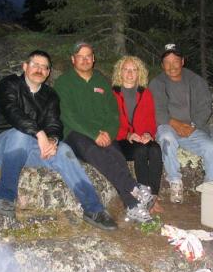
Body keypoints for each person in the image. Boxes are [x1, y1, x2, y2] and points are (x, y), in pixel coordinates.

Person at [0, 50, 117, 230]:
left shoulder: (50, 95)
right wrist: (39, 134)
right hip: (0, 146)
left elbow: (54, 124)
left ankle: (93, 208)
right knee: (20, 135)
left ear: (48, 72)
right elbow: (12, 112)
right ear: (25, 66)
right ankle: (5, 195)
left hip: (32, 148)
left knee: (65, 150)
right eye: (35, 65)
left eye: (44, 67)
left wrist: (52, 140)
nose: (39, 70)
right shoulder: (9, 84)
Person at [54, 42, 154, 223]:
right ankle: (134, 188)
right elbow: (67, 115)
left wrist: (108, 132)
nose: (84, 60)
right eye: (80, 56)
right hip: (74, 133)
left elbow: (113, 113)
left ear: (93, 59)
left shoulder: (101, 81)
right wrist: (94, 134)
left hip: (102, 132)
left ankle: (132, 206)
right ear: (73, 59)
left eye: (88, 56)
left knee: (116, 154)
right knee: (94, 151)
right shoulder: (63, 82)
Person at [149, 44, 213, 203]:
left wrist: (194, 125)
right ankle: (175, 181)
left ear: (182, 61)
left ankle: (212, 189)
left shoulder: (196, 81)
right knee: (167, 138)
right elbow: (156, 110)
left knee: (212, 148)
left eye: (175, 61)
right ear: (162, 65)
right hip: (168, 126)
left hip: (192, 127)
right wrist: (176, 124)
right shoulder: (157, 83)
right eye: (167, 62)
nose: (172, 66)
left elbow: (205, 107)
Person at [111, 56, 164, 212]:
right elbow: (110, 122)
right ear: (120, 72)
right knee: (141, 151)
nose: (130, 73)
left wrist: (148, 133)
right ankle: (144, 196)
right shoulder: (112, 93)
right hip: (121, 139)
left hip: (141, 137)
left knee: (155, 149)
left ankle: (153, 196)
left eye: (134, 70)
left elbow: (150, 119)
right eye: (126, 69)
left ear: (139, 73)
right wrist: (127, 135)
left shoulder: (145, 93)